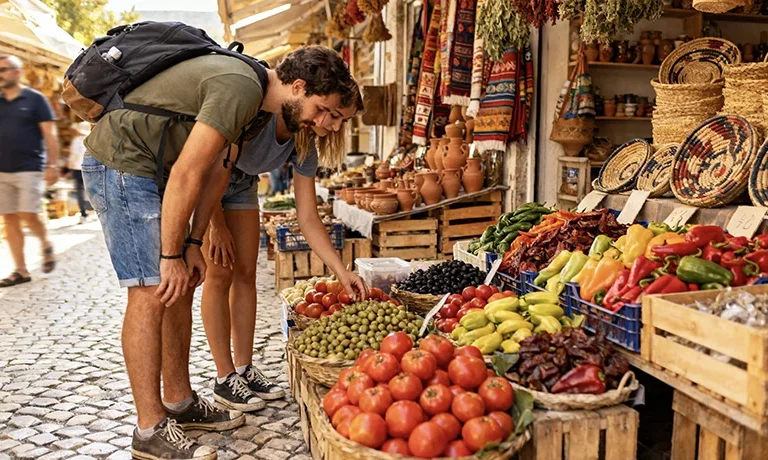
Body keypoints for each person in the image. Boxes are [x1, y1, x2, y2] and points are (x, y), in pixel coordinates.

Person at [81, 46, 360, 460]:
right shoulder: (241, 87)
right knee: (150, 289)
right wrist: (174, 252)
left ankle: (179, 401)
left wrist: (191, 244)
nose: (324, 124)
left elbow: (218, 172)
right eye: (323, 110)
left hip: (153, 167)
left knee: (180, 285)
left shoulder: (259, 108)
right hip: (123, 163)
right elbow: (189, 171)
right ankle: (149, 429)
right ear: (298, 86)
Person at [201, 90, 367, 412]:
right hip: (208, 175)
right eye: (334, 115)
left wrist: (341, 271)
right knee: (220, 272)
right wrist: (214, 225)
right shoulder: (259, 112)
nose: (335, 126)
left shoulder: (306, 144)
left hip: (242, 183)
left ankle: (245, 369)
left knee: (246, 273)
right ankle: (224, 378)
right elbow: (207, 164)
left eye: (343, 121)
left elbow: (307, 217)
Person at [0, 55, 59, 287]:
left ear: (17, 72)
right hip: (2, 170)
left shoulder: (36, 100)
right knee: (9, 218)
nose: (0, 74)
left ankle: (45, 242)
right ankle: (21, 270)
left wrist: (52, 165)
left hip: (30, 168)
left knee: (28, 213)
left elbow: (50, 135)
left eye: (4, 69)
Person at [68, 119, 91, 224]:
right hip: (89, 168)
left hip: (77, 168)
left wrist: (70, 165)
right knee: (91, 190)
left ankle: (83, 213)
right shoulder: (91, 139)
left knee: (79, 191)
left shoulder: (76, 140)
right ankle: (93, 211)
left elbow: (73, 155)